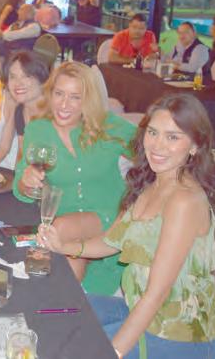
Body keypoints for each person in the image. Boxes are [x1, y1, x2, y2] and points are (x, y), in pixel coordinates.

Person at [38, 93, 215, 358]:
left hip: (182, 332)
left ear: (194, 146)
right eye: (153, 132)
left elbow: (157, 293)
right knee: (57, 310)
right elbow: (111, 241)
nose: (158, 145)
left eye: (172, 137)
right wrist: (63, 246)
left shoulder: (184, 201)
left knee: (77, 350)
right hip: (138, 306)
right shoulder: (150, 183)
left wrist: (112, 352)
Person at [14, 61, 136, 294]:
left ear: (87, 100)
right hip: (67, 224)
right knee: (66, 279)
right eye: (59, 94)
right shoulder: (38, 129)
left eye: (75, 97)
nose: (64, 104)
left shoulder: (108, 126)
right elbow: (21, 188)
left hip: (109, 214)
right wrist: (27, 183)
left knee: (58, 231)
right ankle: (63, 306)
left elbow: (153, 150)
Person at [4, 50, 49, 159]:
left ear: (41, 79)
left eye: (26, 76)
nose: (18, 83)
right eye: (13, 77)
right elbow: (22, 155)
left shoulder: (56, 112)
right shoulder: (20, 111)